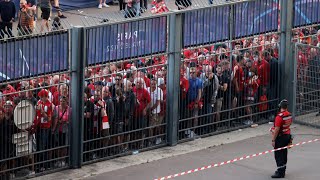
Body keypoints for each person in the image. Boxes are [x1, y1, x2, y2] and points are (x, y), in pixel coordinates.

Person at [270, 99, 293, 178]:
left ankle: (280, 172)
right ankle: (283, 169)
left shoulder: (279, 117)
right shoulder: (289, 115)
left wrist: (273, 140)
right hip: (287, 135)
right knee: (284, 153)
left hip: (280, 137)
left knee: (278, 154)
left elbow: (276, 130)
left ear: (280, 106)